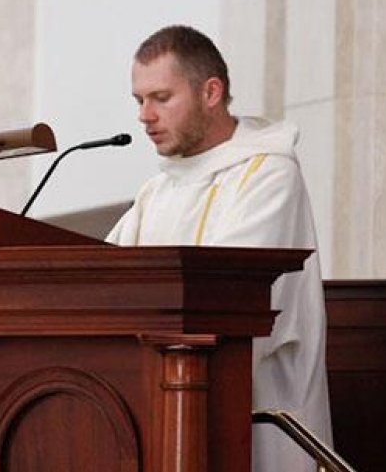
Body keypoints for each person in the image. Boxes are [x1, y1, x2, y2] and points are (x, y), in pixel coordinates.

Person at [107, 25, 332, 472]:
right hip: (162, 413)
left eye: (161, 98)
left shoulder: (268, 176)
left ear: (211, 92)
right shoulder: (159, 191)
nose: (144, 116)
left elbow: (231, 303)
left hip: (256, 422)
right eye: (139, 100)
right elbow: (98, 281)